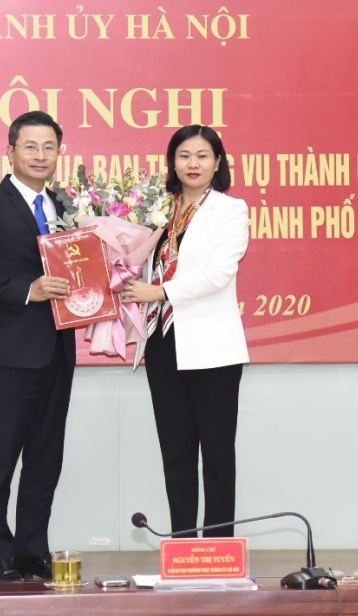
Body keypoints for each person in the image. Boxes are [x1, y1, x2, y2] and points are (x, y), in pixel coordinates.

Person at [0, 110, 75, 582]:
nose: (40, 155)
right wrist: (28, 290)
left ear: (59, 153)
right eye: (30, 146)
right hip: (7, 353)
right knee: (0, 458)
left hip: (57, 350)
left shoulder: (66, 205)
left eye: (49, 147)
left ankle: (31, 549)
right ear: (11, 151)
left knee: (46, 457)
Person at [123, 125, 250, 538]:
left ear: (217, 162)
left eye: (202, 155)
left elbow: (218, 274)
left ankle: (217, 547)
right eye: (184, 155)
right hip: (163, 342)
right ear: (172, 162)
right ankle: (182, 545)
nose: (192, 164)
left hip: (212, 349)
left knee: (216, 454)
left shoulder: (230, 210)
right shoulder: (160, 209)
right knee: (175, 452)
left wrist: (159, 291)